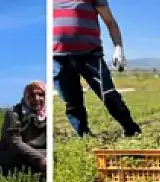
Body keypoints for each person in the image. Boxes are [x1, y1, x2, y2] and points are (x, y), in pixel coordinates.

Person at [52, 0, 141, 138]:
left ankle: (132, 130)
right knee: (72, 102)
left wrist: (118, 47)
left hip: (90, 55)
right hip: (58, 58)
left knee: (108, 94)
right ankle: (83, 135)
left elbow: (110, 22)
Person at [0, 81, 47, 175]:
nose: (36, 99)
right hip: (15, 152)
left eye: (40, 95)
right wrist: (40, 159)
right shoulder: (13, 113)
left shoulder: (48, 113)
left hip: (39, 152)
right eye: (32, 95)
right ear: (25, 97)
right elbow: (14, 142)